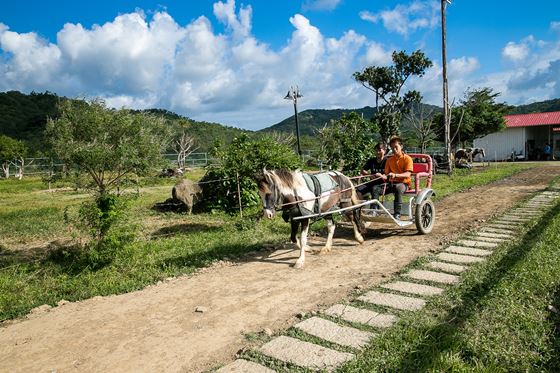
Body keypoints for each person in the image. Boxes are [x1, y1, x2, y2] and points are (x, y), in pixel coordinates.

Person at [374, 136, 413, 220]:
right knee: (375, 188)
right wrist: (381, 176)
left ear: (401, 146)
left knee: (398, 187)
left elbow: (408, 174)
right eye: (392, 148)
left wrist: (395, 175)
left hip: (404, 183)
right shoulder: (389, 160)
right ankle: (374, 210)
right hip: (391, 183)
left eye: (396, 147)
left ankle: (397, 214)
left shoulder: (408, 159)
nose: (394, 149)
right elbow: (386, 175)